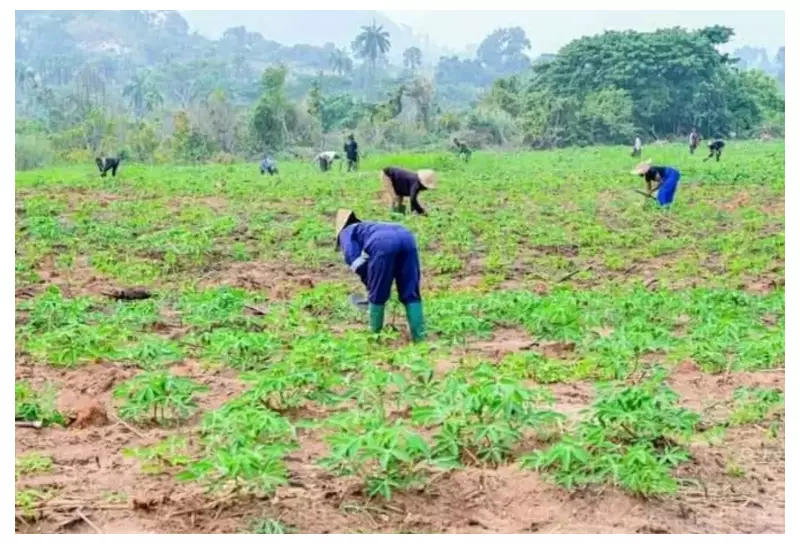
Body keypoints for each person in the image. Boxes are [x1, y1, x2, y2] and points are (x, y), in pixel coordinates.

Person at [334, 209, 425, 342]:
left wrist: (372, 285)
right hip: (407, 236)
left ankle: (374, 338)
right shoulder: (369, 227)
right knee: (410, 290)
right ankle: (420, 338)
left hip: (382, 242)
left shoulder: (346, 232)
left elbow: (355, 262)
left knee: (378, 294)